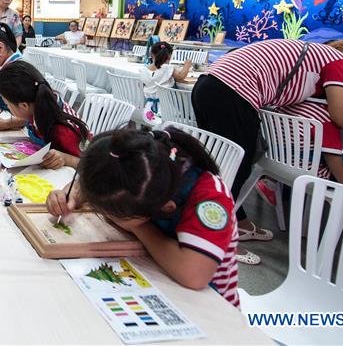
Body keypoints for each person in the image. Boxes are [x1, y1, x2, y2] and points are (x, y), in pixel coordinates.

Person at [191, 38, 343, 265]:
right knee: (234, 169)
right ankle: (216, 239)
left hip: (212, 83)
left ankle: (230, 223)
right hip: (234, 89)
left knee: (227, 165)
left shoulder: (318, 62)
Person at [47, 126, 239, 307]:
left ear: (165, 207)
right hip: (153, 270)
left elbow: (193, 274)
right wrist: (72, 194)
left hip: (206, 302)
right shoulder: (135, 161)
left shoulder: (210, 199)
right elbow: (102, 180)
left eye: (113, 212)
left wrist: (138, 227)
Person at [0, 61, 89, 170]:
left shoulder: (64, 131)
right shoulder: (39, 103)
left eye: (8, 105)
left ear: (24, 105)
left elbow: (91, 164)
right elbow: (32, 117)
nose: (8, 108)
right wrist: (9, 123)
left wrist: (66, 159)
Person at [138, 42, 191, 121]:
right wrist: (187, 64)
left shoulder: (144, 70)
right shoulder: (167, 69)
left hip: (148, 109)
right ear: (169, 56)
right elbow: (181, 76)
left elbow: (143, 84)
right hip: (167, 110)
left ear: (151, 54)